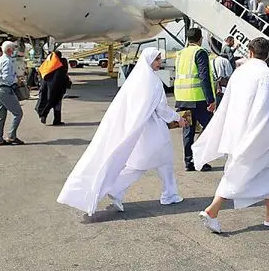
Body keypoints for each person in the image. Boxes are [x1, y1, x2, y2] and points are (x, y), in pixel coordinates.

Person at [57, 48, 187, 216]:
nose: (159, 63)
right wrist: (178, 118)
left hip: (141, 129)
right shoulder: (153, 82)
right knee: (145, 164)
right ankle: (124, 189)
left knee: (157, 162)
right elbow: (161, 109)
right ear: (149, 61)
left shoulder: (136, 80)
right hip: (153, 130)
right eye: (157, 60)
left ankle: (168, 193)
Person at [193, 37, 269, 233]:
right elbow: (263, 108)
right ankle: (213, 210)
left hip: (236, 130)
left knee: (255, 171)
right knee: (246, 172)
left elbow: (227, 102)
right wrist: (258, 136)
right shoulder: (266, 74)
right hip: (257, 132)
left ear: (250, 52)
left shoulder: (239, 72)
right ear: (268, 54)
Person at [174, 28, 216, 171]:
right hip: (198, 99)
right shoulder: (200, 52)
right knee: (209, 128)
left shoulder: (180, 54)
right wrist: (210, 99)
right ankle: (200, 159)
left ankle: (188, 162)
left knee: (188, 131)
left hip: (182, 98)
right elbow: (204, 77)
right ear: (200, 39)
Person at [0, 41, 24, 146]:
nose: (14, 51)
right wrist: (16, 80)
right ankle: (11, 136)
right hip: (5, 89)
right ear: (10, 50)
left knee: (0, 115)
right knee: (18, 113)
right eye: (13, 49)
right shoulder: (7, 61)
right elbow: (7, 77)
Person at [35, 51, 67, 125]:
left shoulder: (47, 64)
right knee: (57, 103)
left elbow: (40, 73)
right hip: (57, 88)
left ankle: (44, 115)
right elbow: (63, 75)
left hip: (46, 87)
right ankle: (57, 120)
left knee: (48, 101)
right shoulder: (60, 64)